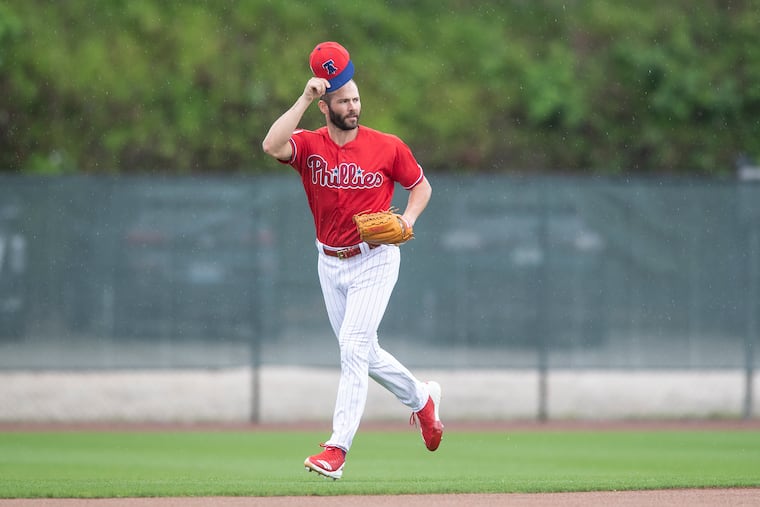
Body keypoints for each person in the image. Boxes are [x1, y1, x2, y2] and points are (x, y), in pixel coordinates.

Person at [261, 41, 443, 480]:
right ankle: (422, 399)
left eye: (356, 98)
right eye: (343, 100)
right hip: (330, 261)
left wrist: (409, 221)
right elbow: (271, 144)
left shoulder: (386, 146)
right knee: (366, 352)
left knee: (352, 348)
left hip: (375, 258)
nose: (353, 106)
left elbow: (421, 187)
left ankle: (337, 449)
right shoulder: (309, 145)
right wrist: (303, 97)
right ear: (325, 106)